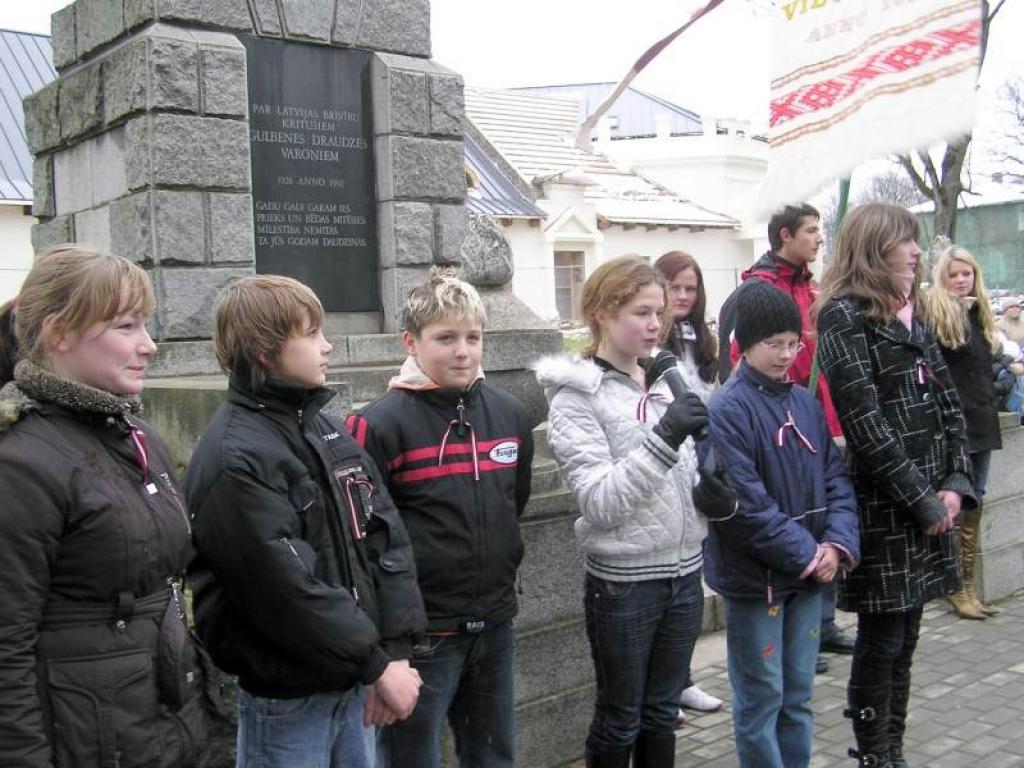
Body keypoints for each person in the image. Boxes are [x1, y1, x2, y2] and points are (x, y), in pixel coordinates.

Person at [186, 275, 426, 768]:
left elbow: (384, 534)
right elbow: (284, 587)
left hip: (354, 682)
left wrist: (394, 651)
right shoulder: (235, 457)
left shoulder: (324, 429)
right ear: (263, 350)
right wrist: (377, 665)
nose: (328, 345)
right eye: (312, 334)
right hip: (290, 699)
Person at [0, 246, 211, 767]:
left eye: (147, 325)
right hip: (84, 737)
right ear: (59, 334)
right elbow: (6, 644)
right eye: (126, 327)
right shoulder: (21, 464)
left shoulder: (137, 435)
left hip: (157, 723)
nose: (150, 346)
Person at [346, 275, 534, 768]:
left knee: (494, 754)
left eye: (472, 337)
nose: (463, 352)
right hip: (423, 635)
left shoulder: (510, 415)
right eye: (445, 338)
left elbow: (514, 504)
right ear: (410, 342)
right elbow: (364, 541)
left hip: (494, 621)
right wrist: (388, 648)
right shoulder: (378, 424)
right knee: (411, 757)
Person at [815, 203, 976, 768]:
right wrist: (924, 499)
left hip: (932, 504)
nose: (915, 253)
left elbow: (948, 401)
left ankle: (894, 750)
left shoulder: (912, 312)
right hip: (888, 510)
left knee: (906, 641)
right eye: (905, 242)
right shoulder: (842, 316)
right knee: (880, 645)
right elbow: (864, 423)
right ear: (875, 248)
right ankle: (872, 754)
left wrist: (956, 480)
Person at [535, 256, 710, 768]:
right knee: (621, 718)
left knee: (662, 713)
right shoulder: (576, 395)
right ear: (603, 313)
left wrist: (715, 497)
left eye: (660, 313)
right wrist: (666, 436)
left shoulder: (664, 380)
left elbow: (686, 478)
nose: (656, 325)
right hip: (625, 585)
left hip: (684, 574)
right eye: (641, 313)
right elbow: (601, 503)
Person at [705, 280, 859, 768]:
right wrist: (809, 555)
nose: (786, 355)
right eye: (774, 344)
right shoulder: (727, 410)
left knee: (798, 696)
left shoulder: (805, 404)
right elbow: (743, 504)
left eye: (794, 344)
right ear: (745, 344)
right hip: (759, 584)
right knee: (760, 700)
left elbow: (835, 479)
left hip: (810, 578)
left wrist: (835, 544)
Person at [717, 203, 853, 666]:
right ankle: (795, 632)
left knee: (822, 510)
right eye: (810, 231)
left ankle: (821, 625)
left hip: (815, 415)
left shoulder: (813, 287)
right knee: (787, 515)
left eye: (820, 230)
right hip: (771, 421)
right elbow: (739, 359)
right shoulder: (760, 291)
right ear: (783, 235)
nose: (818, 238)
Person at [653, 250, 725, 721]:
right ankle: (663, 687)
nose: (683, 296)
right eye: (675, 287)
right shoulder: (650, 344)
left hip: (700, 467)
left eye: (691, 288)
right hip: (660, 466)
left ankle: (681, 680)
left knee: (689, 585)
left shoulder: (704, 342)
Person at [921, 246, 1003, 619]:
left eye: (966, 273)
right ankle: (955, 586)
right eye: (953, 274)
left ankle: (966, 584)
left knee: (977, 498)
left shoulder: (979, 312)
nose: (960, 280)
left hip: (982, 417)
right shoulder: (939, 313)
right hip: (955, 422)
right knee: (957, 499)